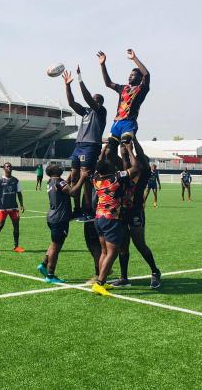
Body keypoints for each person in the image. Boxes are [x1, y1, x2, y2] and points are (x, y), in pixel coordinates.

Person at [90, 142, 140, 297]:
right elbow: (136, 168)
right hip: (111, 219)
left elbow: (100, 161)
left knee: (104, 251)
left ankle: (101, 280)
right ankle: (99, 284)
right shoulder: (116, 178)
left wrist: (104, 149)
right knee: (113, 252)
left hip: (98, 217)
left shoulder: (95, 178)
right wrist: (130, 151)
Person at [113, 139, 161, 289]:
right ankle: (124, 278)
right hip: (123, 213)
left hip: (136, 213)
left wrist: (132, 143)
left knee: (140, 245)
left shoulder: (145, 173)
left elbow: (138, 156)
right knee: (123, 246)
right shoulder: (127, 171)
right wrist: (122, 147)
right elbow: (123, 158)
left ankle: (155, 272)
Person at [62, 67, 106, 220]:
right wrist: (67, 85)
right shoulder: (86, 112)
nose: (92, 100)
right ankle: (77, 209)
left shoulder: (101, 111)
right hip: (79, 145)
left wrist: (80, 78)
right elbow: (71, 102)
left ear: (99, 102)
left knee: (86, 177)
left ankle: (89, 210)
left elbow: (87, 98)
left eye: (95, 99)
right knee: (74, 177)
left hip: (91, 146)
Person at [37, 165, 87, 283]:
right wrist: (83, 178)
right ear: (54, 171)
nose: (59, 167)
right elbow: (73, 193)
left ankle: (44, 264)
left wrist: (73, 173)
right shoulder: (59, 182)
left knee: (54, 244)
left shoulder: (51, 181)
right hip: (59, 219)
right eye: (56, 166)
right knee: (56, 247)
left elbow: (65, 183)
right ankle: (50, 275)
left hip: (52, 218)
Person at [97, 48, 150, 144]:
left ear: (139, 78)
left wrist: (134, 58)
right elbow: (108, 83)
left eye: (133, 75)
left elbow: (146, 75)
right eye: (130, 74)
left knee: (125, 148)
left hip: (128, 122)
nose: (130, 76)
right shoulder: (123, 88)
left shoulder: (142, 89)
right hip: (117, 122)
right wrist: (102, 65)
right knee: (109, 152)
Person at [0, 162, 25, 254]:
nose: (9, 167)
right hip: (2, 207)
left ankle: (16, 246)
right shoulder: (0, 181)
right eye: (7, 166)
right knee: (0, 225)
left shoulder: (16, 180)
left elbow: (19, 193)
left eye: (10, 166)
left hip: (13, 207)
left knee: (16, 226)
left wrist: (21, 205)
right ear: (4, 169)